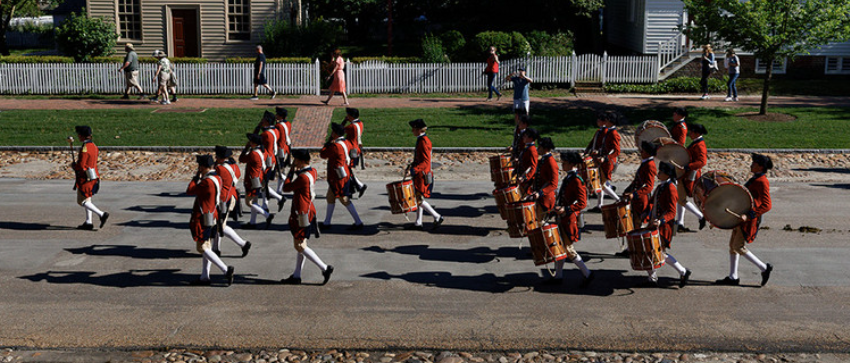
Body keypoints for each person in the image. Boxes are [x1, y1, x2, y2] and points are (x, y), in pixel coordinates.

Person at [715, 153, 774, 287]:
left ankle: (764, 268)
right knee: (732, 246)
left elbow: (767, 205)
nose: (751, 165)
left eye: (754, 163)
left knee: (738, 246)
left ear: (760, 166)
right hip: (741, 216)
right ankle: (733, 277)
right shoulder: (756, 178)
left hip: (748, 219)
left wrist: (749, 215)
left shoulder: (762, 181)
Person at [280, 149, 335, 285]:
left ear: (299, 160)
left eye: (295, 159)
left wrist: (291, 171)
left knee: (300, 245)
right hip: (308, 209)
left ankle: (324, 268)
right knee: (302, 244)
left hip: (302, 212)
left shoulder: (302, 177)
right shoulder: (312, 172)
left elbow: (285, 188)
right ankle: (297, 275)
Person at [186, 155, 235, 286]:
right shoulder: (217, 178)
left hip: (204, 217)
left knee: (203, 248)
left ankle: (225, 270)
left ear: (202, 167)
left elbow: (190, 190)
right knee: (207, 247)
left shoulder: (207, 181)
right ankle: (204, 276)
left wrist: (195, 178)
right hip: (212, 215)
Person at [642, 161, 692, 288]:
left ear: (667, 174)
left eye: (660, 172)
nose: (658, 174)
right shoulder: (660, 187)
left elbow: (672, 211)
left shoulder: (671, 189)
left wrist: (661, 220)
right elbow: (652, 202)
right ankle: (652, 277)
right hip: (654, 224)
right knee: (650, 250)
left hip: (664, 227)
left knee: (659, 253)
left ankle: (682, 271)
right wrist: (646, 214)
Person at [547, 151, 593, 287]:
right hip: (563, 217)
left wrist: (566, 209)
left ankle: (587, 273)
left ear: (572, 164)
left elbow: (582, 203)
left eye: (565, 163)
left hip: (569, 218)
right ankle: (558, 276)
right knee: (561, 247)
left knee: (568, 249)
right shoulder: (569, 177)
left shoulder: (577, 180)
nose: (562, 165)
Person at [319, 123, 364, 231]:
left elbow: (323, 154)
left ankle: (358, 222)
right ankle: (327, 222)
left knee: (343, 198)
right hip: (343, 173)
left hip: (338, 176)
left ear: (335, 133)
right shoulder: (346, 142)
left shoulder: (335, 146)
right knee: (330, 196)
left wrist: (328, 142)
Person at [213, 145, 252, 258]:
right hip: (232, 195)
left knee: (221, 225)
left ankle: (243, 244)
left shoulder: (219, 168)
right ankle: (216, 249)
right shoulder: (234, 166)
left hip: (224, 198)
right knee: (219, 224)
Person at [405, 119, 444, 230]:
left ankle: (437, 216)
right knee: (419, 197)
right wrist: (411, 165)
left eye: (413, 129)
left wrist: (413, 170)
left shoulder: (423, 142)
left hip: (422, 174)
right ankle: (418, 222)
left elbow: (425, 162)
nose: (412, 130)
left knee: (418, 199)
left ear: (418, 130)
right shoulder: (422, 140)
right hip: (421, 173)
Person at [70, 126, 109, 230]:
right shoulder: (94, 146)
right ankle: (88, 222)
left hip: (85, 178)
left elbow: (82, 165)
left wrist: (75, 166)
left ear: (82, 136)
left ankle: (101, 214)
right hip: (94, 176)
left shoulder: (85, 148)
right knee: (88, 200)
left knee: (81, 201)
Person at [676, 123, 708, 232]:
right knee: (681, 198)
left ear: (697, 133)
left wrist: (687, 167)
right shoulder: (697, 143)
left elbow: (702, 162)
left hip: (690, 175)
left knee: (681, 199)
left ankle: (700, 216)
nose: (690, 134)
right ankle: (680, 222)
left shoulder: (700, 145)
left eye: (692, 132)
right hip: (686, 174)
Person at [239, 133, 274, 229]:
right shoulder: (264, 151)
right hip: (260, 178)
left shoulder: (253, 153)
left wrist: (246, 149)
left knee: (249, 203)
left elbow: (241, 159)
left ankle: (267, 215)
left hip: (252, 180)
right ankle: (252, 222)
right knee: (254, 201)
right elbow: (269, 164)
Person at [590, 111, 621, 212]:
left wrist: (606, 157)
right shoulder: (609, 132)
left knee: (601, 184)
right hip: (603, 161)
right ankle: (600, 204)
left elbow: (616, 150)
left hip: (608, 162)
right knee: (600, 183)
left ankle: (618, 200)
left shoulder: (614, 133)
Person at [624, 141, 657, 227]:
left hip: (642, 199)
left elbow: (649, 187)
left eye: (643, 150)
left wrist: (635, 194)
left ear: (648, 153)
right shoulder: (645, 163)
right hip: (637, 199)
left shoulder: (650, 165)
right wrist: (628, 190)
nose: (641, 152)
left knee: (639, 224)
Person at [258, 111, 285, 212]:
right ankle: (265, 204)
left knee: (263, 183)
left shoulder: (265, 134)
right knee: (264, 184)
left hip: (266, 159)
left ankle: (278, 198)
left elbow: (256, 139)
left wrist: (258, 127)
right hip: (272, 158)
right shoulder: (275, 131)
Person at [526, 137, 557, 220]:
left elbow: (553, 184)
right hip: (539, 197)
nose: (537, 149)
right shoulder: (543, 159)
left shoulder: (551, 162)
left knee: (541, 224)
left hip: (546, 198)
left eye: (539, 147)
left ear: (545, 149)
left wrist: (540, 193)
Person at [343, 107, 368, 197]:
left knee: (347, 170)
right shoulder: (360, 123)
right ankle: (353, 188)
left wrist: (344, 121)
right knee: (347, 170)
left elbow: (339, 130)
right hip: (356, 148)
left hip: (351, 150)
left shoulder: (351, 126)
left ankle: (359, 186)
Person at [273, 107, 293, 195]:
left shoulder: (278, 126)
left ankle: (288, 184)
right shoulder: (288, 123)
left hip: (281, 149)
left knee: (280, 170)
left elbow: (278, 138)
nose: (275, 115)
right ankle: (279, 190)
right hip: (287, 148)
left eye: (277, 114)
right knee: (282, 170)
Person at [516, 128, 539, 197]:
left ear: (531, 138)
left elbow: (533, 167)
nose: (523, 137)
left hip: (527, 181)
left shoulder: (532, 150)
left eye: (525, 136)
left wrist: (525, 178)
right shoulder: (528, 147)